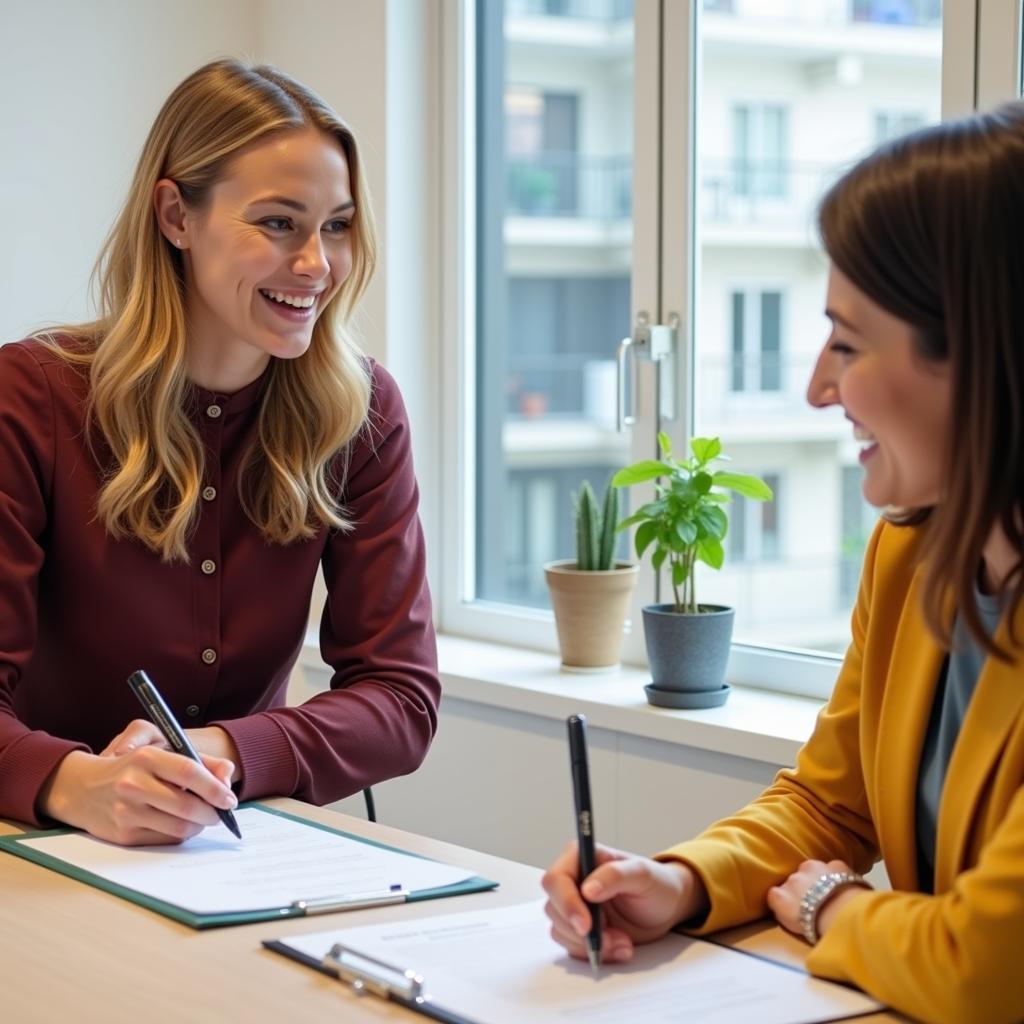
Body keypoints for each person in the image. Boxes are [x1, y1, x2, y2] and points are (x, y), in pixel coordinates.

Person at [542, 101, 1024, 1024]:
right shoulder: (913, 553)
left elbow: (983, 968)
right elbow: (832, 807)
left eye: (847, 341)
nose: (816, 385)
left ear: (981, 353)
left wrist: (827, 906)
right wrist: (678, 882)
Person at [0, 59, 439, 847]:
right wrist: (77, 785)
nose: (316, 265)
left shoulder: (363, 413)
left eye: (336, 225)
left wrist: (222, 752)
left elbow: (400, 697)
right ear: (175, 215)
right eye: (278, 223)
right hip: (36, 850)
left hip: (237, 850)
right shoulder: (29, 398)